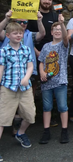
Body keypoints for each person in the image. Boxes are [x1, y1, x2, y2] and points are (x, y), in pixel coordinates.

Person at [0, 22, 36, 152]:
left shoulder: (26, 49)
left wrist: (26, 78)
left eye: (20, 33)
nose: (18, 35)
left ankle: (20, 133)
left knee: (30, 115)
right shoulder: (3, 51)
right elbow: (1, 69)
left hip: (25, 89)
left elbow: (30, 66)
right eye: (15, 33)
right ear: (8, 35)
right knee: (3, 119)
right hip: (8, 88)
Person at [38, 20, 70, 144]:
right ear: (51, 32)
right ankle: (46, 131)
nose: (57, 31)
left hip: (60, 81)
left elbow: (66, 38)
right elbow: (41, 61)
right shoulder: (46, 46)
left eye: (59, 30)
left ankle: (64, 131)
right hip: (46, 82)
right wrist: (41, 72)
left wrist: (62, 24)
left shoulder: (64, 45)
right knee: (47, 107)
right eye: (55, 29)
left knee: (62, 107)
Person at [0, 10, 44, 76]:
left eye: (25, 22)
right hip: (8, 72)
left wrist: (39, 21)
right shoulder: (7, 33)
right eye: (19, 22)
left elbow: (42, 34)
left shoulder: (30, 34)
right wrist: (6, 19)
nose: (22, 24)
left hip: (27, 72)